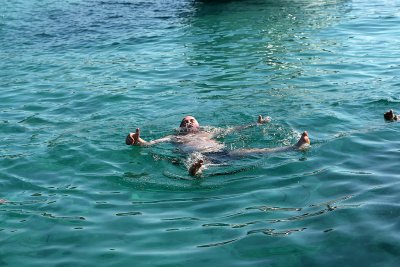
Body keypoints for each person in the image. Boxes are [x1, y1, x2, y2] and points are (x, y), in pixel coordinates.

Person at [126, 115, 310, 176]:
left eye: (192, 120)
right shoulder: (174, 137)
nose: (188, 122)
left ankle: (293, 148)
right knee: (197, 160)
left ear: (199, 125)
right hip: (197, 155)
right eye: (184, 121)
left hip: (221, 152)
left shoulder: (209, 132)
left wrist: (256, 124)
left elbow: (234, 129)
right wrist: (137, 142)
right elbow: (150, 144)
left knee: (250, 151)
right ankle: (196, 171)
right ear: (179, 127)